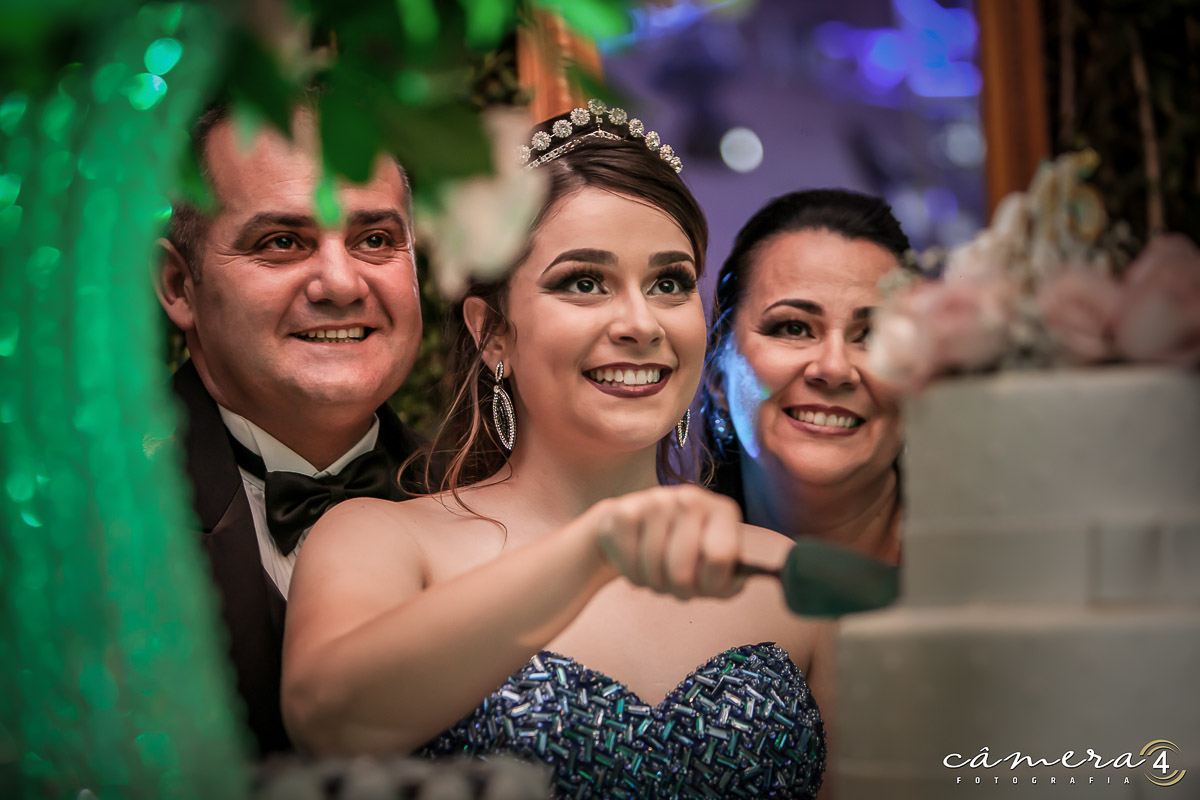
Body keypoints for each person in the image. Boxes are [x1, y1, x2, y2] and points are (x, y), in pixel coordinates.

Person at [282, 104, 831, 799]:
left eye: (668, 282)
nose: (639, 323)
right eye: (583, 282)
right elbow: (327, 719)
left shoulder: (791, 580)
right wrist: (591, 550)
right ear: (493, 335)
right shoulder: (381, 540)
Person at [155, 103, 425, 755]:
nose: (340, 282)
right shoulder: (89, 516)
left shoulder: (480, 498)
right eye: (282, 242)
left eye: (375, 240)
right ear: (179, 286)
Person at [702, 189, 912, 565]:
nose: (834, 368)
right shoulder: (658, 585)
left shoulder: (991, 567)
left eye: (874, 336)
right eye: (794, 328)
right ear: (717, 370)